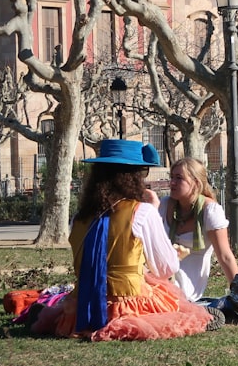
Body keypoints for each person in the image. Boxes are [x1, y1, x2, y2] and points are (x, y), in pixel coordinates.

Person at [31, 139, 213, 341]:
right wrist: (173, 253)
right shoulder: (142, 212)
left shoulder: (79, 218)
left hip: (80, 309)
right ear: (133, 176)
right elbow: (165, 269)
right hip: (128, 306)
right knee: (183, 309)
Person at [159, 157, 238, 307]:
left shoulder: (210, 211)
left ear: (196, 183)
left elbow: (225, 256)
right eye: (171, 177)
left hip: (186, 285)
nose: (172, 183)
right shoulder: (164, 204)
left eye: (179, 178)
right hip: (161, 274)